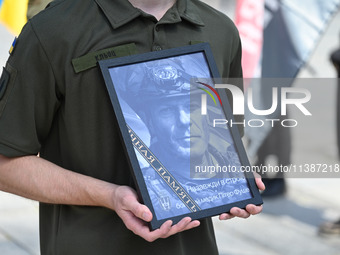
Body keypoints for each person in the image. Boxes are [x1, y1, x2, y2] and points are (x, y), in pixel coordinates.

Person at [0, 0, 264, 254]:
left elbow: (226, 142)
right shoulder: (54, 30)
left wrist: (235, 182)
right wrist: (109, 196)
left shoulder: (220, 30)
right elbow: (5, 165)